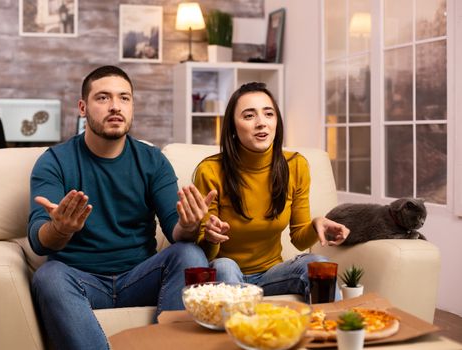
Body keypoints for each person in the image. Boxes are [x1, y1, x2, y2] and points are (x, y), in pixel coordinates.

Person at [28, 65, 216, 350]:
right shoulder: (54, 161)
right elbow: (38, 241)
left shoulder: (152, 161)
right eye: (103, 98)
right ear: (83, 107)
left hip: (140, 277)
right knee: (48, 276)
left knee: (190, 252)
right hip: (81, 280)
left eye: (124, 98)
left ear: (132, 106)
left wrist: (189, 226)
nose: (115, 106)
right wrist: (58, 229)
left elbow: (175, 230)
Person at [193, 82, 349, 302]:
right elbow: (204, 253)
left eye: (268, 114)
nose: (261, 123)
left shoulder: (296, 165)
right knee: (225, 266)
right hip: (226, 271)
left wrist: (316, 224)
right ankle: (243, 333)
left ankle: (333, 330)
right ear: (233, 128)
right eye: (249, 116)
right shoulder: (210, 171)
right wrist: (210, 237)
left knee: (318, 264)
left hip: (272, 275)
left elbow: (299, 240)